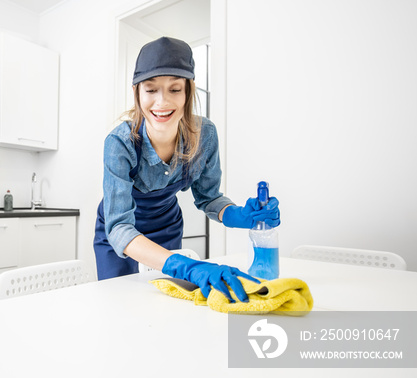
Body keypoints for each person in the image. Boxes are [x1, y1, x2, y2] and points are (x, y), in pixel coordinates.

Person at [93, 36, 280, 302]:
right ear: (137, 92)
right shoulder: (120, 143)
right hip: (118, 233)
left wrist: (240, 216)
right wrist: (186, 266)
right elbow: (120, 227)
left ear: (188, 92)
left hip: (166, 225)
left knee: (165, 303)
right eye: (151, 89)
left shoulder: (205, 135)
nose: (162, 102)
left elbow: (209, 198)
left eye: (174, 89)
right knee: (121, 301)